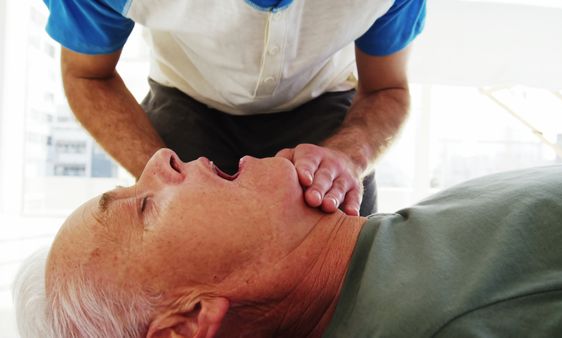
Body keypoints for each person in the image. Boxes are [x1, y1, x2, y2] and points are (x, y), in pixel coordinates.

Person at [14, 149, 562, 337]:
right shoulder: (454, 323)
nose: (161, 156)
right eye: (144, 205)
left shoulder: (382, 261)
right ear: (188, 322)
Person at [42, 0, 427, 216]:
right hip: (187, 98)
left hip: (324, 104)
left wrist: (351, 155)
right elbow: (88, 76)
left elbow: (385, 88)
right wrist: (163, 175)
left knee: (344, 272)